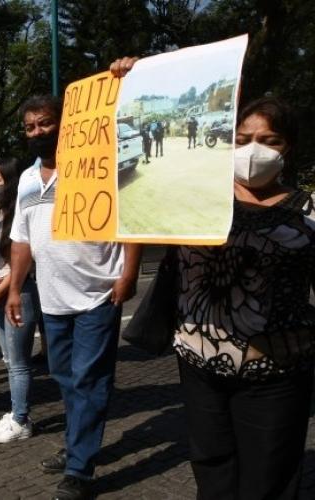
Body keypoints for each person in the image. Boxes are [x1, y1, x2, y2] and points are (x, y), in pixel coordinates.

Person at [113, 58, 315, 500]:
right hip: (199, 363)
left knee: (269, 480)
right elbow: (118, 193)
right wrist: (130, 84)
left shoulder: (309, 211)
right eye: (242, 140)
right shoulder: (195, 198)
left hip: (276, 372)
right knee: (212, 468)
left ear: (288, 148)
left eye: (268, 140)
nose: (253, 150)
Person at [5, 95, 141, 500]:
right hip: (52, 299)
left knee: (90, 379)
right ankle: (77, 444)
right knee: (65, 377)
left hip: (99, 291)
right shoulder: (28, 179)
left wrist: (129, 273)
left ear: (64, 124)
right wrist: (14, 288)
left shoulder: (95, 165)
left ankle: (80, 469)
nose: (37, 133)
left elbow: (131, 218)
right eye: (29, 127)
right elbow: (21, 240)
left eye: (45, 123)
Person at [0, 157, 41, 443]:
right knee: (8, 358)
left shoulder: (21, 215)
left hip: (18, 293)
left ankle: (21, 419)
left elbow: (21, 266)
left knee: (18, 362)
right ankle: (16, 411)